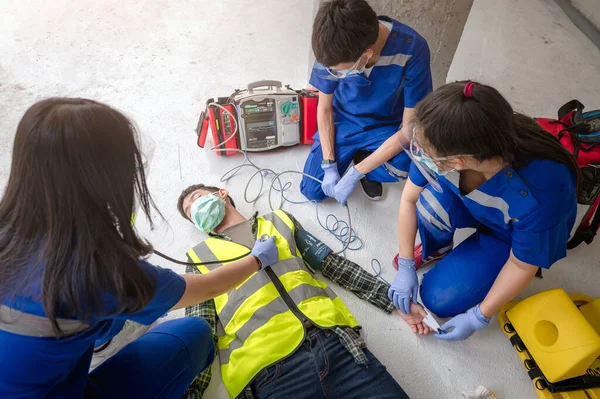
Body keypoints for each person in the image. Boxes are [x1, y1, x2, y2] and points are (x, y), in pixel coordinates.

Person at [0, 98, 280, 398]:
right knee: (195, 334)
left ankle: (102, 333)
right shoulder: (100, 271)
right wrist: (256, 261)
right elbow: (209, 289)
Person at [176, 184, 416, 399]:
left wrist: (394, 300)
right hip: (269, 372)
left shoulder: (280, 221)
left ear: (222, 193)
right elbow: (198, 331)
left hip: (337, 347)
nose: (195, 209)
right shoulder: (198, 259)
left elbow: (331, 264)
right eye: (189, 214)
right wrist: (190, 393)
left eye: (197, 198)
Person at [387, 82, 579, 341]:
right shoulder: (457, 137)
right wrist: (407, 266)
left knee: (437, 299)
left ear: (458, 161)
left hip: (508, 239)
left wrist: (480, 315)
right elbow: (409, 199)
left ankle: (483, 250)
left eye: (427, 153)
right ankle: (439, 248)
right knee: (429, 204)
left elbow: (523, 265)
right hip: (472, 204)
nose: (421, 155)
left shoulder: (543, 191)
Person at [300, 0, 432, 203]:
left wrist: (357, 171)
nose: (334, 74)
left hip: (385, 125)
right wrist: (328, 164)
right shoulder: (331, 46)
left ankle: (365, 164)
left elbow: (409, 128)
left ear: (366, 56)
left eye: (339, 70)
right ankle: (359, 157)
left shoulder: (413, 48)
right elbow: (325, 108)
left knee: (405, 165)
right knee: (312, 191)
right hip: (343, 122)